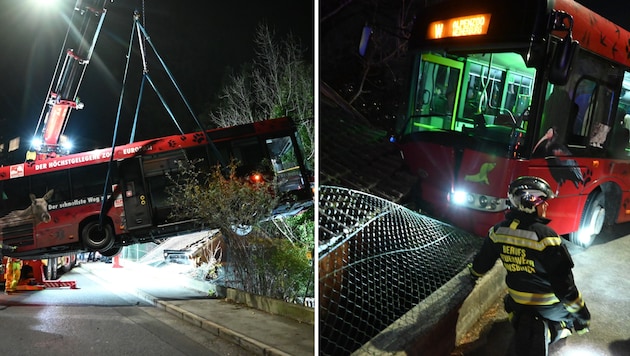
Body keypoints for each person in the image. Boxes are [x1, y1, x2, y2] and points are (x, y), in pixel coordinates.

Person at [468, 176, 591, 353]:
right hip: (550, 308)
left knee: (507, 304)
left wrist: (473, 274)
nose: (546, 206)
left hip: (518, 302)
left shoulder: (497, 232)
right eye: (543, 201)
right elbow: (565, 286)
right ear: (530, 203)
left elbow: (482, 263)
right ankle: (557, 331)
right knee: (570, 321)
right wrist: (582, 317)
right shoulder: (548, 238)